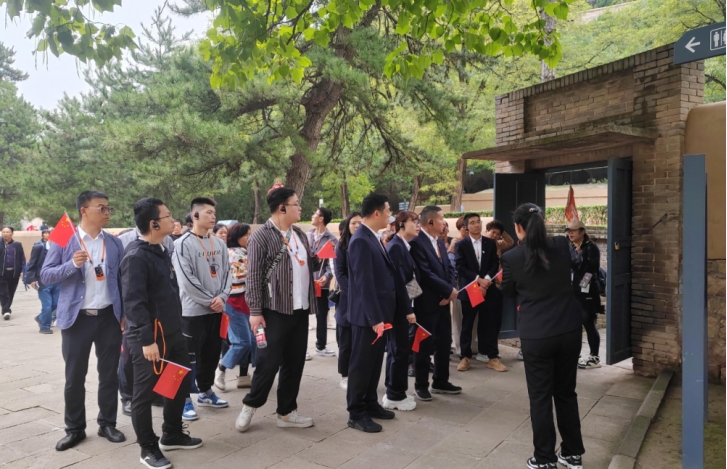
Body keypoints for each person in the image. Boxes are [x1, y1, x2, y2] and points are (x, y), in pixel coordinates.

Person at [501, 203, 585, 469]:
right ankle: (572, 453)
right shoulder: (560, 244)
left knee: (540, 397)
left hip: (537, 334)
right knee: (566, 393)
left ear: (518, 227)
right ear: (543, 222)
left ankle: (544, 458)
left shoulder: (512, 257)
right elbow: (574, 266)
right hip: (569, 329)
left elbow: (508, 292)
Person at [121, 198, 203, 469]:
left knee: (176, 383)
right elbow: (133, 302)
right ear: (154, 224)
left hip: (172, 332)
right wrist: (146, 340)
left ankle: (172, 433)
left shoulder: (160, 249)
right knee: (144, 394)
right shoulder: (136, 256)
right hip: (150, 338)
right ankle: (147, 448)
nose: (173, 220)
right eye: (167, 216)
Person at [41, 190, 126, 451]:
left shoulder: (113, 243)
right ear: (84, 211)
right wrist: (72, 265)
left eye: (108, 207)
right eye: (101, 207)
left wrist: (124, 314)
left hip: (109, 318)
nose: (107, 212)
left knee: (109, 374)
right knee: (74, 377)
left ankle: (107, 423)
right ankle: (75, 429)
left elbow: (121, 281)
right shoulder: (64, 238)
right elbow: (45, 275)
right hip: (76, 319)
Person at [235, 187, 320, 432]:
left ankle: (286, 412)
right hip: (273, 310)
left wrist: (320, 257)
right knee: (268, 362)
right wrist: (255, 312)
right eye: (296, 204)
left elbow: (308, 263)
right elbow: (253, 277)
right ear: (282, 208)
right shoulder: (261, 236)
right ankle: (251, 404)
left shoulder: (299, 234)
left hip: (300, 309)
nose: (300, 208)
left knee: (295, 362)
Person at [346, 193, 409, 433]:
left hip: (380, 314)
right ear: (376, 213)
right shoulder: (361, 240)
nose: (390, 215)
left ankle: (370, 402)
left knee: (373, 364)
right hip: (367, 318)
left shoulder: (372, 237)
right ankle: (356, 412)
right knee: (361, 365)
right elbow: (364, 284)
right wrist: (375, 319)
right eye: (388, 210)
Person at [173, 197, 231, 421]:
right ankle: (183, 398)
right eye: (208, 212)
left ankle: (206, 391)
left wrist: (222, 297)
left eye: (214, 212)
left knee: (211, 353)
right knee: (187, 357)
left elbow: (227, 273)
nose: (213, 216)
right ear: (195, 215)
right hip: (193, 312)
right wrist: (209, 300)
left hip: (216, 310)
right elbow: (186, 280)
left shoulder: (219, 244)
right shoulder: (182, 244)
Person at [118, 227, 173, 416]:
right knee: (129, 357)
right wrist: (123, 313)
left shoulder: (167, 241)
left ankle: (156, 394)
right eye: (166, 216)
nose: (171, 220)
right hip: (134, 312)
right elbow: (125, 284)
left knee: (161, 357)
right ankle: (127, 396)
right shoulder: (124, 241)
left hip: (161, 314)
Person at [409, 206, 461, 401]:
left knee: (444, 342)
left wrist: (450, 290)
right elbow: (425, 273)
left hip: (443, 302)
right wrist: (447, 290)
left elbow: (449, 268)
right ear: (430, 222)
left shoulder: (439, 241)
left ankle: (440, 380)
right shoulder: (417, 242)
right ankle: (421, 384)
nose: (444, 223)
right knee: (424, 344)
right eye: (441, 219)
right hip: (426, 303)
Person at [455, 213, 506, 372]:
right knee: (467, 324)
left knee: (490, 323)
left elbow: (494, 263)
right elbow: (461, 267)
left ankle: (493, 357)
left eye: (478, 222)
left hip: (488, 288)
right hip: (470, 288)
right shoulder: (461, 245)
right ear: (466, 227)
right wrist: (479, 280)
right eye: (472, 223)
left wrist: (486, 281)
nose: (477, 225)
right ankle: (465, 357)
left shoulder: (490, 243)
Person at [383, 211, 419, 412]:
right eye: (414, 221)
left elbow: (409, 278)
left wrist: (415, 300)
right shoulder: (396, 247)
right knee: (399, 350)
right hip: (397, 308)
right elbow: (397, 282)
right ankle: (395, 394)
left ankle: (394, 390)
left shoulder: (403, 245)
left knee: (397, 349)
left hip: (403, 305)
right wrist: (408, 308)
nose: (417, 225)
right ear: (402, 225)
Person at [215, 222, 256, 391]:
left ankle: (245, 376)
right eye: (246, 235)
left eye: (250, 234)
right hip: (234, 302)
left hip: (249, 302)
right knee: (242, 342)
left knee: (253, 341)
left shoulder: (247, 252)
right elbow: (236, 277)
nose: (249, 237)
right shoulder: (232, 254)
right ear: (236, 237)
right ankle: (221, 369)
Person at [566, 219, 603, 370]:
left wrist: (581, 287)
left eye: (573, 231)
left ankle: (594, 357)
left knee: (589, 324)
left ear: (582, 231)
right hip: (572, 292)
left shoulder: (591, 247)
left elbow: (592, 270)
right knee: (574, 326)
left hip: (587, 293)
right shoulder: (569, 247)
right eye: (568, 231)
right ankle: (576, 355)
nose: (570, 233)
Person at [333, 212, 362, 391]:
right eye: (353, 223)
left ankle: (358, 373)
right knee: (345, 341)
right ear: (347, 226)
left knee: (360, 341)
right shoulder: (341, 247)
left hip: (364, 300)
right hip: (348, 300)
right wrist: (355, 293)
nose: (357, 226)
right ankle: (345, 375)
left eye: (360, 223)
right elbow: (340, 274)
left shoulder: (366, 245)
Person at [307, 206, 338, 358]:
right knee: (302, 316)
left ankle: (321, 346)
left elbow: (332, 264)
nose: (312, 215)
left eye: (315, 214)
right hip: (306, 283)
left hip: (321, 284)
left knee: (321, 315)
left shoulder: (331, 240)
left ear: (321, 219)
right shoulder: (306, 236)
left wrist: (327, 276)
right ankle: (302, 349)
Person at [25, 230, 59, 333]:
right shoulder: (39, 247)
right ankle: (44, 326)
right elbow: (32, 264)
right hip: (43, 281)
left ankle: (41, 317)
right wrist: (32, 279)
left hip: (57, 281)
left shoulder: (62, 249)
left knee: (56, 304)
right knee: (47, 305)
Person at [0, 226, 25, 319]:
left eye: (7, 232)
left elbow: (22, 259)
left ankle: (6, 308)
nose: (5, 234)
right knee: (3, 292)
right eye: (3, 232)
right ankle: (6, 310)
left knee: (11, 292)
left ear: (12, 233)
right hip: (1, 273)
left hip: (14, 273)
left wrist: (23, 270)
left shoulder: (17, 245)